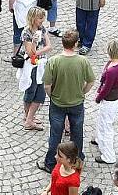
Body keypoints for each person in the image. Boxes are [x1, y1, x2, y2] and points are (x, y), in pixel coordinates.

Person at [39, 29, 96, 173]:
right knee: (77, 133)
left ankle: (50, 163)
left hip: (58, 103)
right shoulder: (83, 61)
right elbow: (90, 81)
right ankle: (77, 160)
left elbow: (47, 85)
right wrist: (82, 91)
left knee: (55, 134)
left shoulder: (54, 61)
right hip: (76, 103)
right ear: (76, 44)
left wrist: (52, 95)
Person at [19, 6, 53, 129]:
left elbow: (49, 46)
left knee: (40, 92)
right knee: (31, 90)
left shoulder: (42, 28)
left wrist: (37, 52)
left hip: (42, 64)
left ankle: (29, 117)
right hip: (31, 66)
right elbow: (30, 53)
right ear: (33, 18)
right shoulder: (26, 32)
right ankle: (28, 118)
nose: (42, 21)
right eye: (40, 18)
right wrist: (34, 43)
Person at [94, 40, 118, 164]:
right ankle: (99, 139)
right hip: (115, 96)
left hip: (110, 99)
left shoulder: (113, 70)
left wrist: (98, 97)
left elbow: (107, 88)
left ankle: (108, 156)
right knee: (102, 120)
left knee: (107, 125)